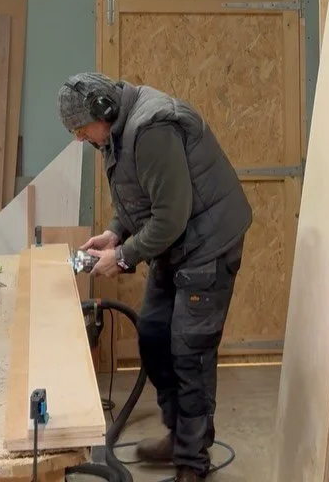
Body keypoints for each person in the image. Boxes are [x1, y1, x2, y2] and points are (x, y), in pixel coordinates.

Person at [57, 72, 252, 482]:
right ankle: (179, 435)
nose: (78, 138)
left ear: (102, 111)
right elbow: (139, 194)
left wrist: (123, 256)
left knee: (189, 352)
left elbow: (170, 215)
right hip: (176, 243)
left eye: (79, 129)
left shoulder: (153, 129)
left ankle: (192, 463)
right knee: (152, 335)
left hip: (207, 243)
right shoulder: (117, 132)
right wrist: (116, 231)